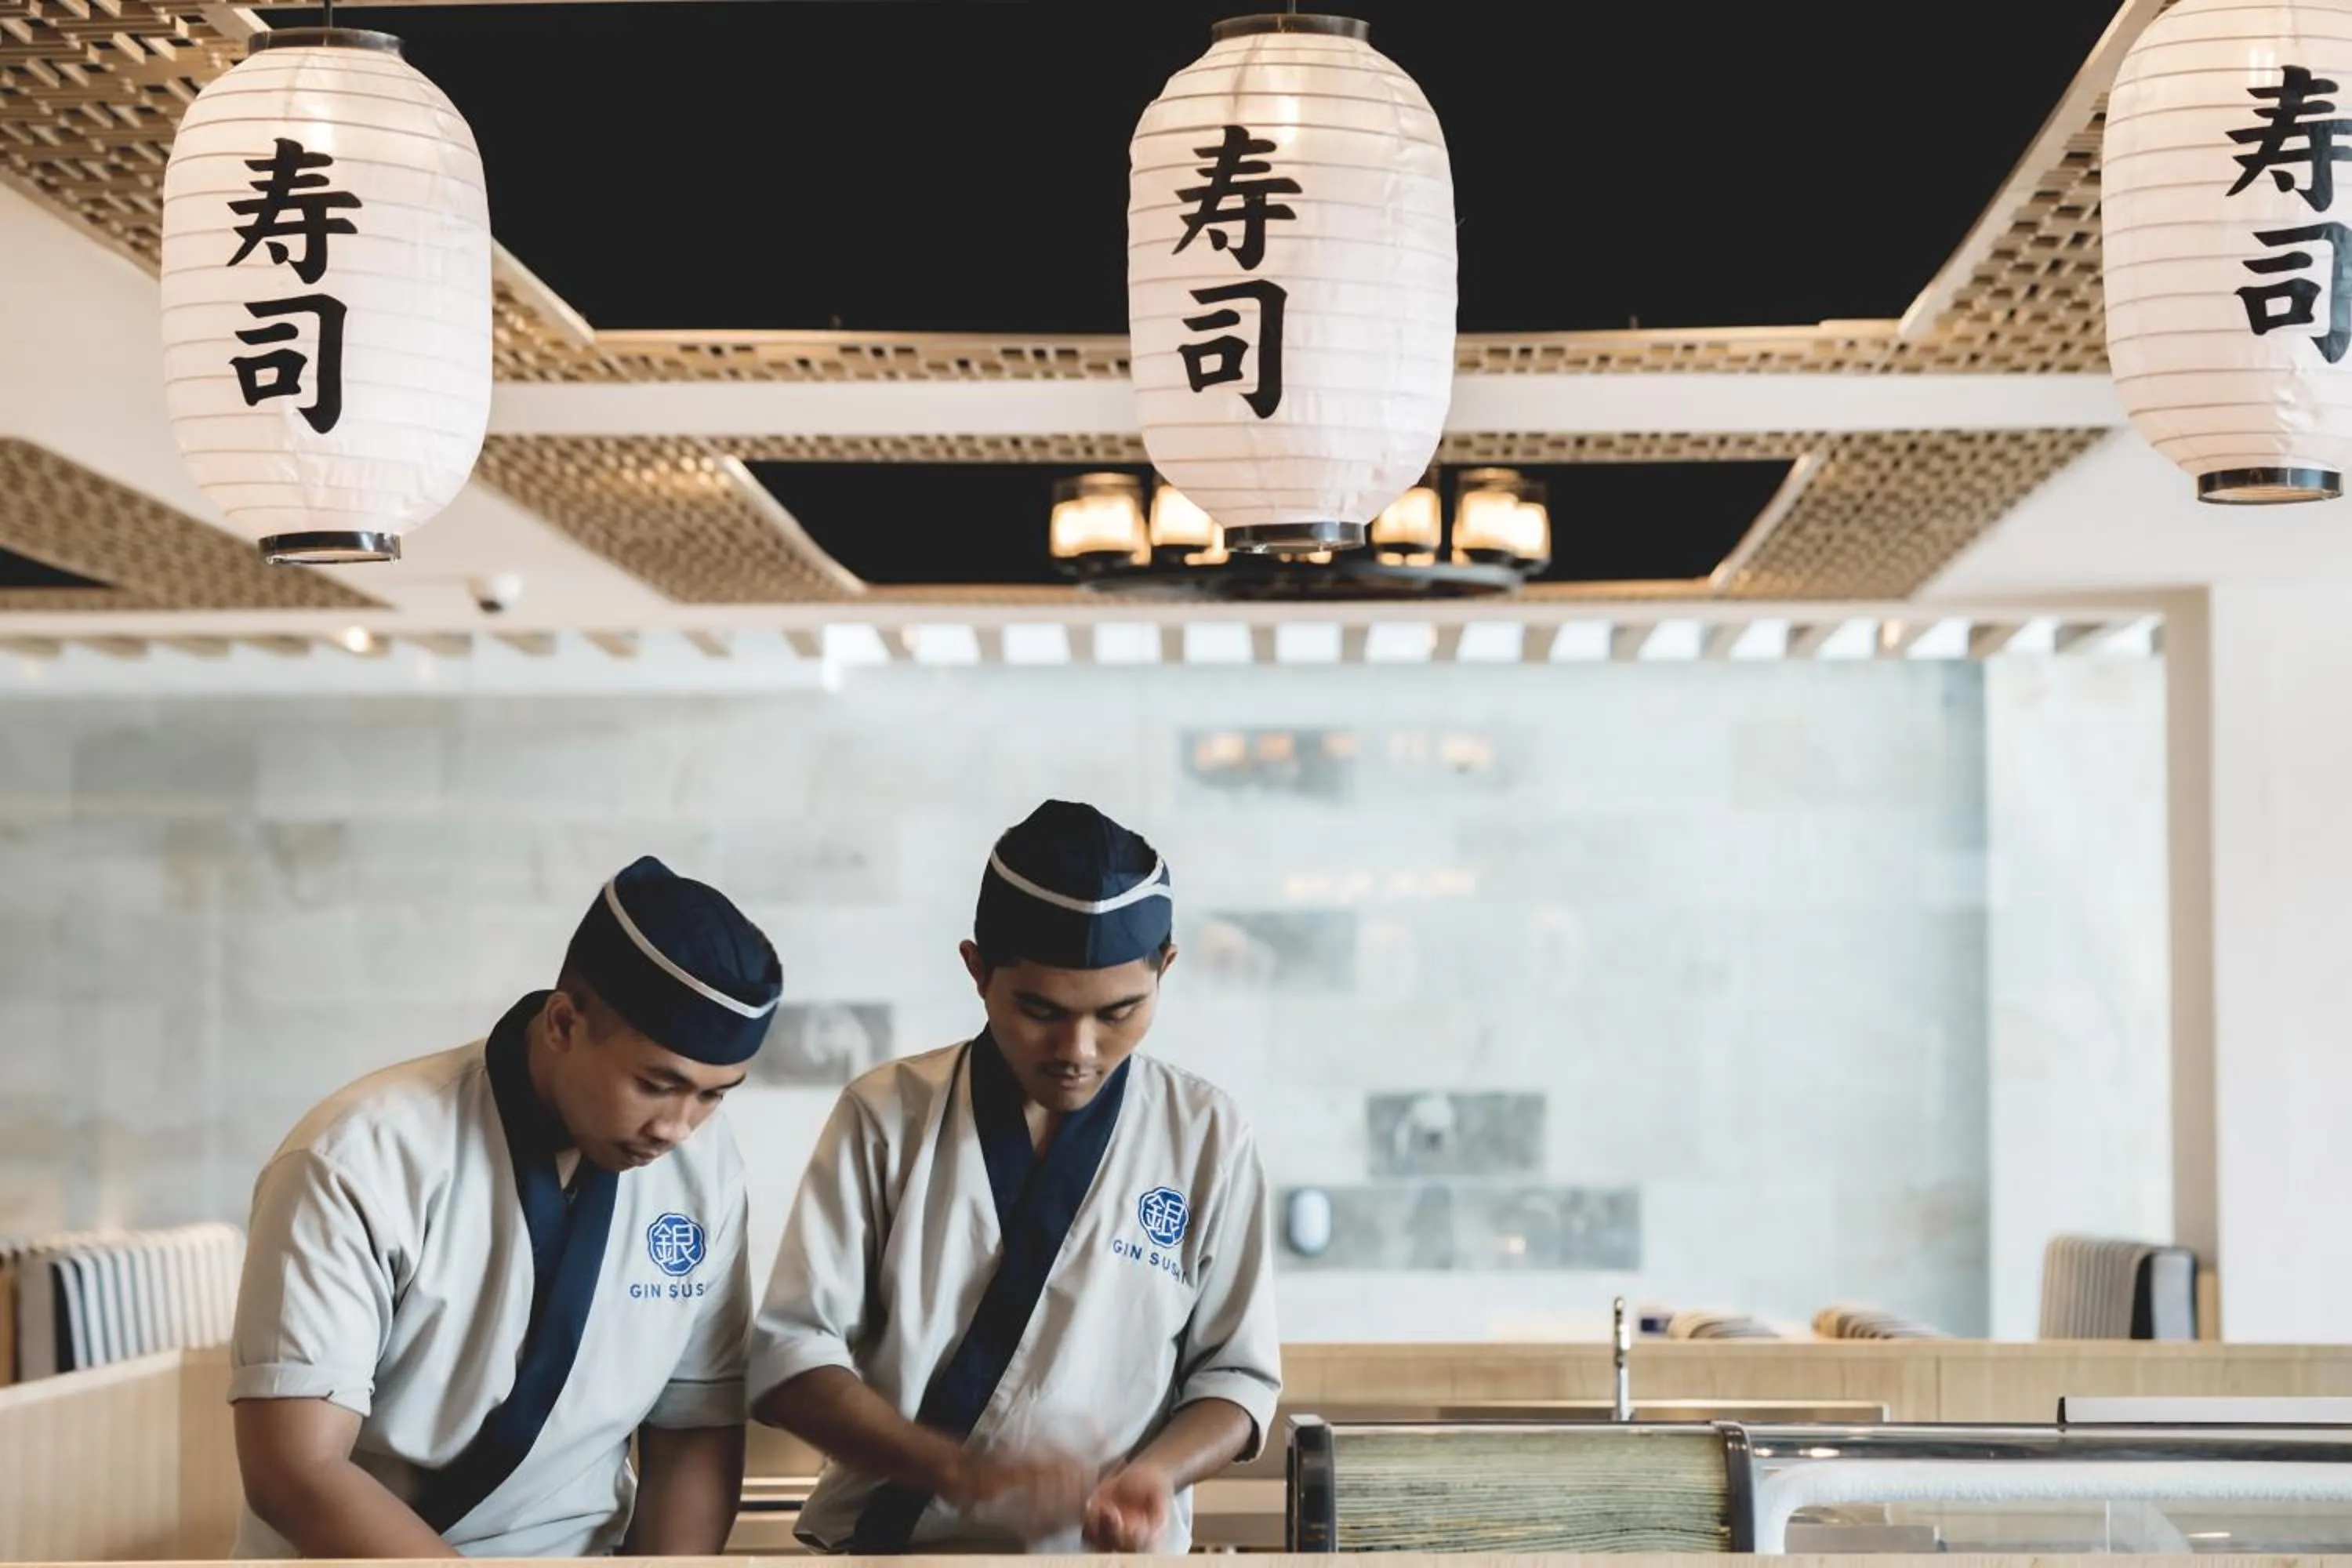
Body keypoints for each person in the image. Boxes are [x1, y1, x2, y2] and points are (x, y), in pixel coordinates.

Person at [751, 800, 1280, 1555]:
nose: (1079, 1049)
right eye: (1040, 1010)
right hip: (893, 1549)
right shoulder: (886, 1115)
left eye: (1121, 1011)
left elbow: (1236, 1379)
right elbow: (792, 1355)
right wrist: (956, 1472)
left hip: (1103, 1555)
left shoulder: (1207, 1136)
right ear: (976, 970)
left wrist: (1157, 1475)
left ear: (1165, 969)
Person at [227, 856, 783, 1559]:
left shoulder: (702, 1165)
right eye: (655, 1084)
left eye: (713, 1095)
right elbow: (294, 1473)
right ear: (562, 1023)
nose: (677, 1127)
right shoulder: (358, 1156)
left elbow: (694, 1423)